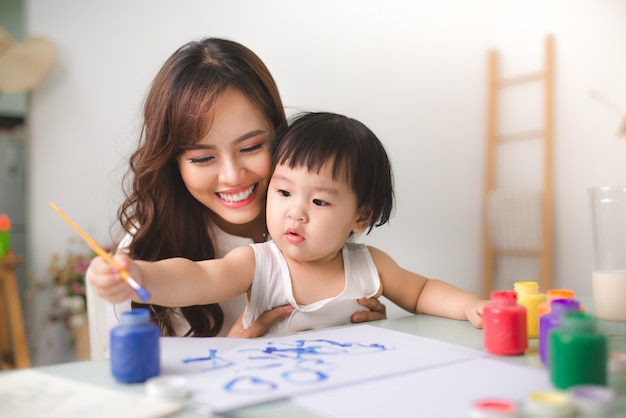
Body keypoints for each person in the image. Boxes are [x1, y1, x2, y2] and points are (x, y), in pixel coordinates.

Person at [87, 38, 387, 358]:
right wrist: (231, 355)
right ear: (172, 163)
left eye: (250, 147)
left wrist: (367, 328)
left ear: (280, 136)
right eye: (202, 158)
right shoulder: (143, 252)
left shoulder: (312, 220)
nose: (231, 176)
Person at [88, 112, 488, 336]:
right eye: (282, 193)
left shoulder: (370, 265)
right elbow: (196, 278)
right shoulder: (258, 263)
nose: (296, 212)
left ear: (361, 216)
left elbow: (420, 292)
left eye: (318, 201)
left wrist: (471, 305)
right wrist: (139, 273)